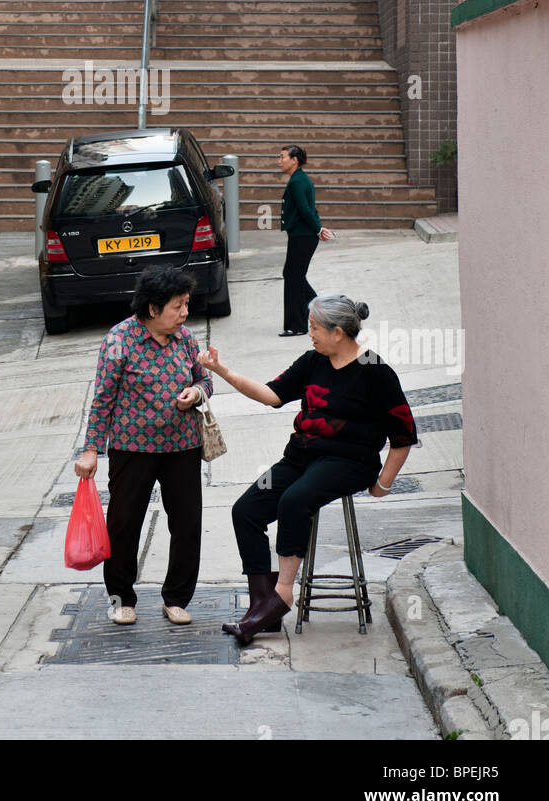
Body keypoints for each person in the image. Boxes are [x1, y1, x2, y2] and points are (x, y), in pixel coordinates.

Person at [199, 294, 418, 644]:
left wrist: (384, 483)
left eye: (315, 328)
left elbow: (403, 434)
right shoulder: (314, 360)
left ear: (338, 332)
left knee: (294, 500)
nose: (310, 334)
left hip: (350, 460)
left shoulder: (376, 371)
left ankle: (283, 593)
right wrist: (222, 372)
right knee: (246, 510)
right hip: (301, 456)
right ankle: (263, 609)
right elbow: (272, 395)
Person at [74, 266, 214, 626]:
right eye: (178, 306)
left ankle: (177, 597)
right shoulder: (120, 341)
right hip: (132, 449)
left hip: (182, 446)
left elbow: (204, 378)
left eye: (186, 304)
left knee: (187, 523)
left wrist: (196, 392)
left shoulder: (184, 339)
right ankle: (121, 598)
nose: (185, 313)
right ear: (153, 309)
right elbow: (102, 400)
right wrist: (91, 449)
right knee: (123, 523)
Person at [279, 144, 332, 337]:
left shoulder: (298, 181)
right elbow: (310, 209)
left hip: (303, 236)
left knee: (293, 277)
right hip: (301, 235)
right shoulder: (298, 179)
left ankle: (298, 325)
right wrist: (317, 227)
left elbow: (305, 209)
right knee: (294, 275)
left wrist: (318, 228)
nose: (280, 160)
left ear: (294, 160)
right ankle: (324, 313)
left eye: (283, 157)